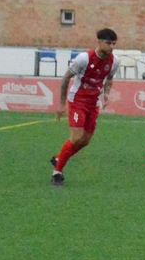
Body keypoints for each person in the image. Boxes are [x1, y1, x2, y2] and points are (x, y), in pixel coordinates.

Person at [50, 28, 117, 184]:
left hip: (93, 103)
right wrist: (61, 104)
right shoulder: (84, 58)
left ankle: (59, 158)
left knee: (85, 140)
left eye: (114, 43)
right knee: (77, 137)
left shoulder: (114, 61)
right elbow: (66, 78)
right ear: (99, 42)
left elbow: (110, 79)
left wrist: (106, 93)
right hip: (77, 101)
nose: (111, 46)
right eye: (108, 43)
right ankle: (57, 173)